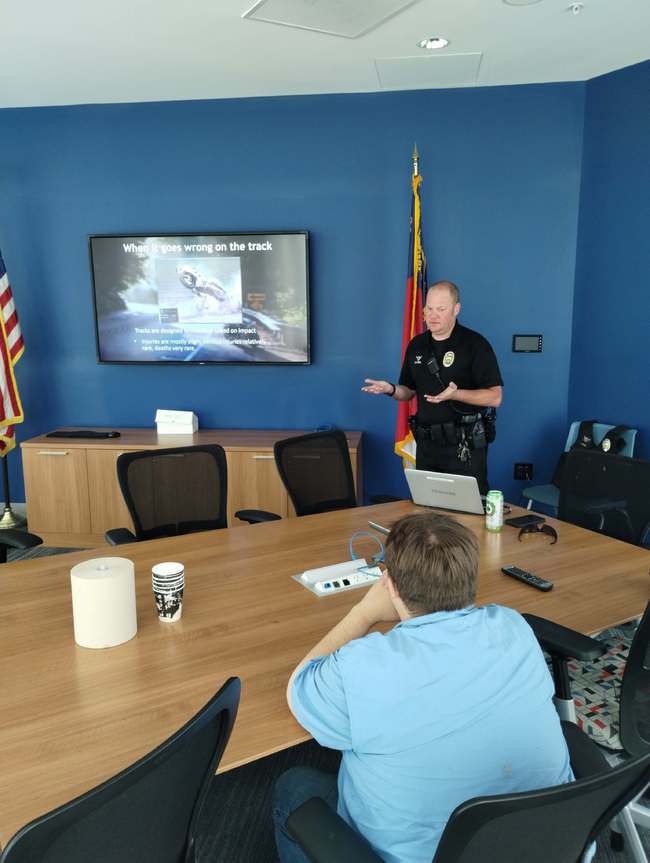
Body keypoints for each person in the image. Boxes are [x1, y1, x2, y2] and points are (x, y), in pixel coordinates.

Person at [272, 512, 572, 863]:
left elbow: (299, 688)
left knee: (294, 788)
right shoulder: (513, 625)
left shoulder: (364, 667)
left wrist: (364, 613)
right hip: (553, 846)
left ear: (390, 585)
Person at [362, 280, 503, 494]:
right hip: (427, 447)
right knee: (427, 508)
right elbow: (408, 391)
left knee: (467, 510)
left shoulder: (475, 344)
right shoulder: (417, 345)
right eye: (429, 308)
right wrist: (390, 389)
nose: (433, 315)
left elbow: (495, 397)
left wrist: (456, 394)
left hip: (463, 447)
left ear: (456, 309)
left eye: (441, 309)